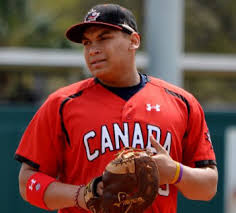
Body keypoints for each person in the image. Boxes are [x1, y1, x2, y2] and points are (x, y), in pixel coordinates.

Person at [14, 3, 218, 213]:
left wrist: (175, 172)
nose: (93, 49)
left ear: (134, 40)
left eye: (104, 38)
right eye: (87, 42)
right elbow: (27, 182)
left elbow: (208, 187)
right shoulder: (62, 103)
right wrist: (81, 195)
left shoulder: (181, 102)